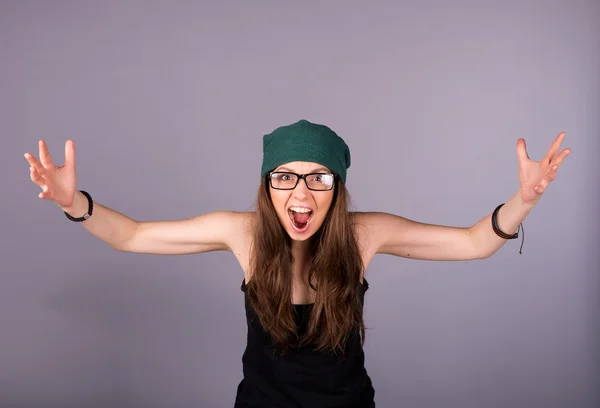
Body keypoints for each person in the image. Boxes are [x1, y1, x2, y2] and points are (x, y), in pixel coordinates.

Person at [24, 119, 570, 407]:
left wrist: (525, 198)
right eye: (284, 177)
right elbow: (133, 236)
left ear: (337, 188)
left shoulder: (362, 235)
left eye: (318, 178)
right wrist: (74, 202)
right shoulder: (243, 235)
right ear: (267, 186)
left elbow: (474, 243)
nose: (300, 192)